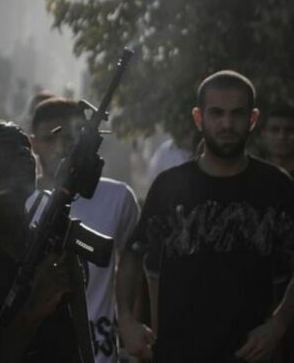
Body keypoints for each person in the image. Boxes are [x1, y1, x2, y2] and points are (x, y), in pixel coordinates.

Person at [117, 70, 294, 362]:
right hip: (178, 354)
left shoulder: (276, 186)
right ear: (199, 119)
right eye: (217, 113)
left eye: (237, 114)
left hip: (251, 354)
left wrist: (278, 324)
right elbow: (134, 254)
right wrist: (126, 320)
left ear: (252, 119)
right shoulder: (169, 186)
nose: (226, 123)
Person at [0, 121, 83, 362]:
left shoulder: (48, 248)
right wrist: (34, 308)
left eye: (25, 147)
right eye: (6, 147)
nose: (23, 153)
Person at [28, 98, 140, 362]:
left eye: (69, 137)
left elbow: (133, 258)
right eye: (50, 138)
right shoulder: (23, 202)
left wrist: (126, 315)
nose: (59, 147)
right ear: (33, 143)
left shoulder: (118, 197)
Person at [260, 104, 294, 175]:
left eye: (289, 130)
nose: (281, 136)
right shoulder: (252, 175)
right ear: (264, 135)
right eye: (274, 130)